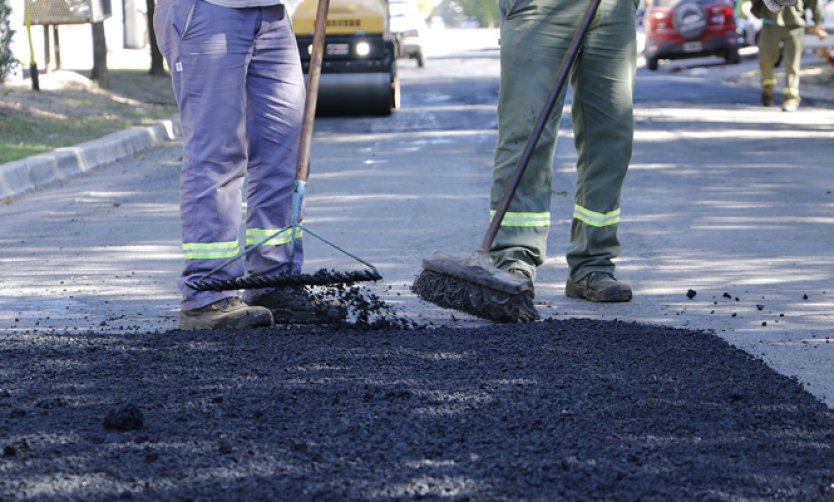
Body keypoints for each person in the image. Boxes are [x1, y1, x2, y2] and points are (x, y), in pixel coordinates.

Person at [154, 0, 341, 329]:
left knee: (284, 155)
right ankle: (207, 294)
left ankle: (272, 281)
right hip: (208, 10)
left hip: (271, 12)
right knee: (218, 152)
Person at [489, 0, 637, 303]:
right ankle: (514, 259)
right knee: (526, 130)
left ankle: (593, 263)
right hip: (539, 7)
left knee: (611, 138)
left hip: (614, 8)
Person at [752, 0, 828, 111]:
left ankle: (791, 98)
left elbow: (814, 3)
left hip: (795, 26)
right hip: (770, 24)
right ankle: (767, 88)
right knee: (766, 60)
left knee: (792, 63)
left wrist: (818, 23)